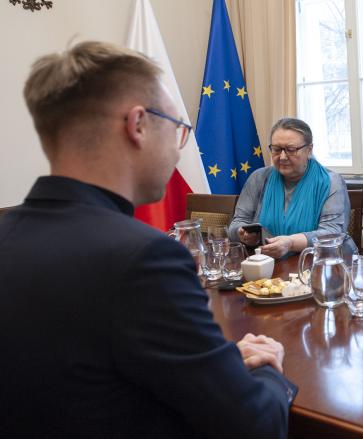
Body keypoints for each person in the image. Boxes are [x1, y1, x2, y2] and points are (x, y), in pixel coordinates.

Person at [0, 42, 296, 438]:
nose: (178, 152)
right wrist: (270, 370)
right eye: (177, 129)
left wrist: (218, 364)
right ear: (137, 125)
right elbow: (255, 426)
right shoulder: (143, 258)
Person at [228, 117, 357, 258]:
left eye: (290, 150)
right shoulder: (258, 178)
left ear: (309, 150)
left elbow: (331, 233)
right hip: (269, 264)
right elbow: (237, 223)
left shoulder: (331, 182)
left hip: (322, 261)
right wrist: (242, 234)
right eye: (276, 149)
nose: (282, 157)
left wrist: (290, 242)